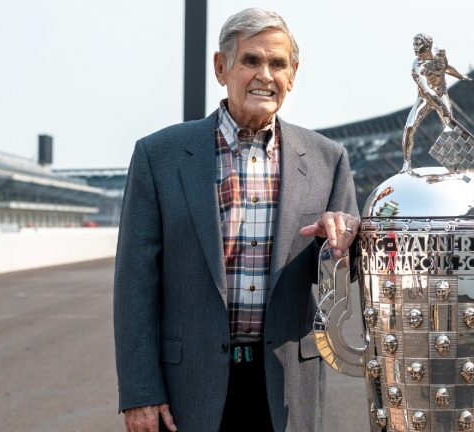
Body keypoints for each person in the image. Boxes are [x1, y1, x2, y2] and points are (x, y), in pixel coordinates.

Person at [113, 8, 359, 432]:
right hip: (187, 389)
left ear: (293, 74)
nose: (265, 74)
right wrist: (141, 392)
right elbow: (135, 287)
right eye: (251, 60)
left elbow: (345, 276)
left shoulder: (327, 160)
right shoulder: (159, 156)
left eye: (278, 63)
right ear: (221, 67)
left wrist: (345, 247)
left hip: (285, 390)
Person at [401, 33, 472, 172]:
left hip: (441, 93)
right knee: (409, 127)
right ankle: (406, 164)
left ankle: (458, 163)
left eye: (417, 44)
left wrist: (459, 76)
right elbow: (427, 91)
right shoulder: (417, 66)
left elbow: (446, 67)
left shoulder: (440, 53)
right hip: (425, 98)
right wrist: (441, 106)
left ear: (427, 45)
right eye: (414, 44)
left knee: (450, 125)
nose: (414, 48)